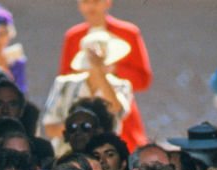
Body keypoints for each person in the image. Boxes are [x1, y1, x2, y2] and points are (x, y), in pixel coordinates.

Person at [58, 0, 152, 150]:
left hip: (119, 108)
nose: (90, 7)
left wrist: (111, 69)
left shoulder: (128, 32)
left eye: (95, 1)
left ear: (107, 2)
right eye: (85, 2)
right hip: (82, 111)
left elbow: (143, 79)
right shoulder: (73, 36)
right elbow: (64, 77)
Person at [42, 31, 134, 152]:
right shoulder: (64, 84)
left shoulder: (121, 86)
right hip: (66, 153)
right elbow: (49, 128)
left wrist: (98, 70)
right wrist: (81, 130)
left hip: (104, 155)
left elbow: (118, 110)